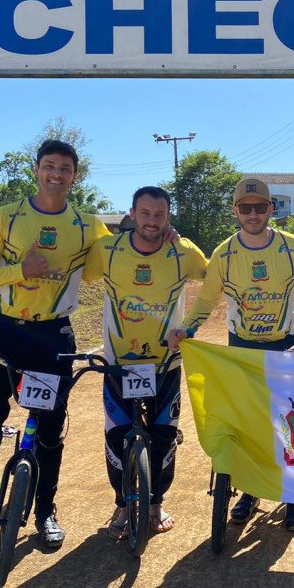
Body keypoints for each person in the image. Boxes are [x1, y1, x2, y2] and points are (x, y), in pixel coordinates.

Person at [0, 139, 111, 559]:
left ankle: (45, 512)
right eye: (48, 166)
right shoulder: (6, 217)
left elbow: (123, 255)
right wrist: (19, 270)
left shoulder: (88, 224)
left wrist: (161, 229)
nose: (55, 174)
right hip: (3, 335)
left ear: (75, 176)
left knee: (48, 434)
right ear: (37, 170)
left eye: (64, 168)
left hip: (51, 340)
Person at [167, 178, 294, 532]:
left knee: (291, 422)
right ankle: (251, 491)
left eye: (260, 207)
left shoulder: (292, 246)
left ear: (272, 209)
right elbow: (206, 300)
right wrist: (187, 330)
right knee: (249, 423)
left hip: (286, 345)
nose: (253, 214)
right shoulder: (224, 253)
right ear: (235, 211)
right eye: (245, 208)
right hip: (244, 348)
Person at [85, 186, 207, 538]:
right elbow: (76, 269)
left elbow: (214, 280)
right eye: (145, 213)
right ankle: (121, 506)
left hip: (165, 363)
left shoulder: (183, 251)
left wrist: (191, 327)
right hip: (118, 364)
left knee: (164, 437)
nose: (152, 221)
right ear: (132, 213)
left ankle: (156, 504)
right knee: (117, 436)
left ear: (168, 216)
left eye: (159, 214)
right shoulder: (107, 250)